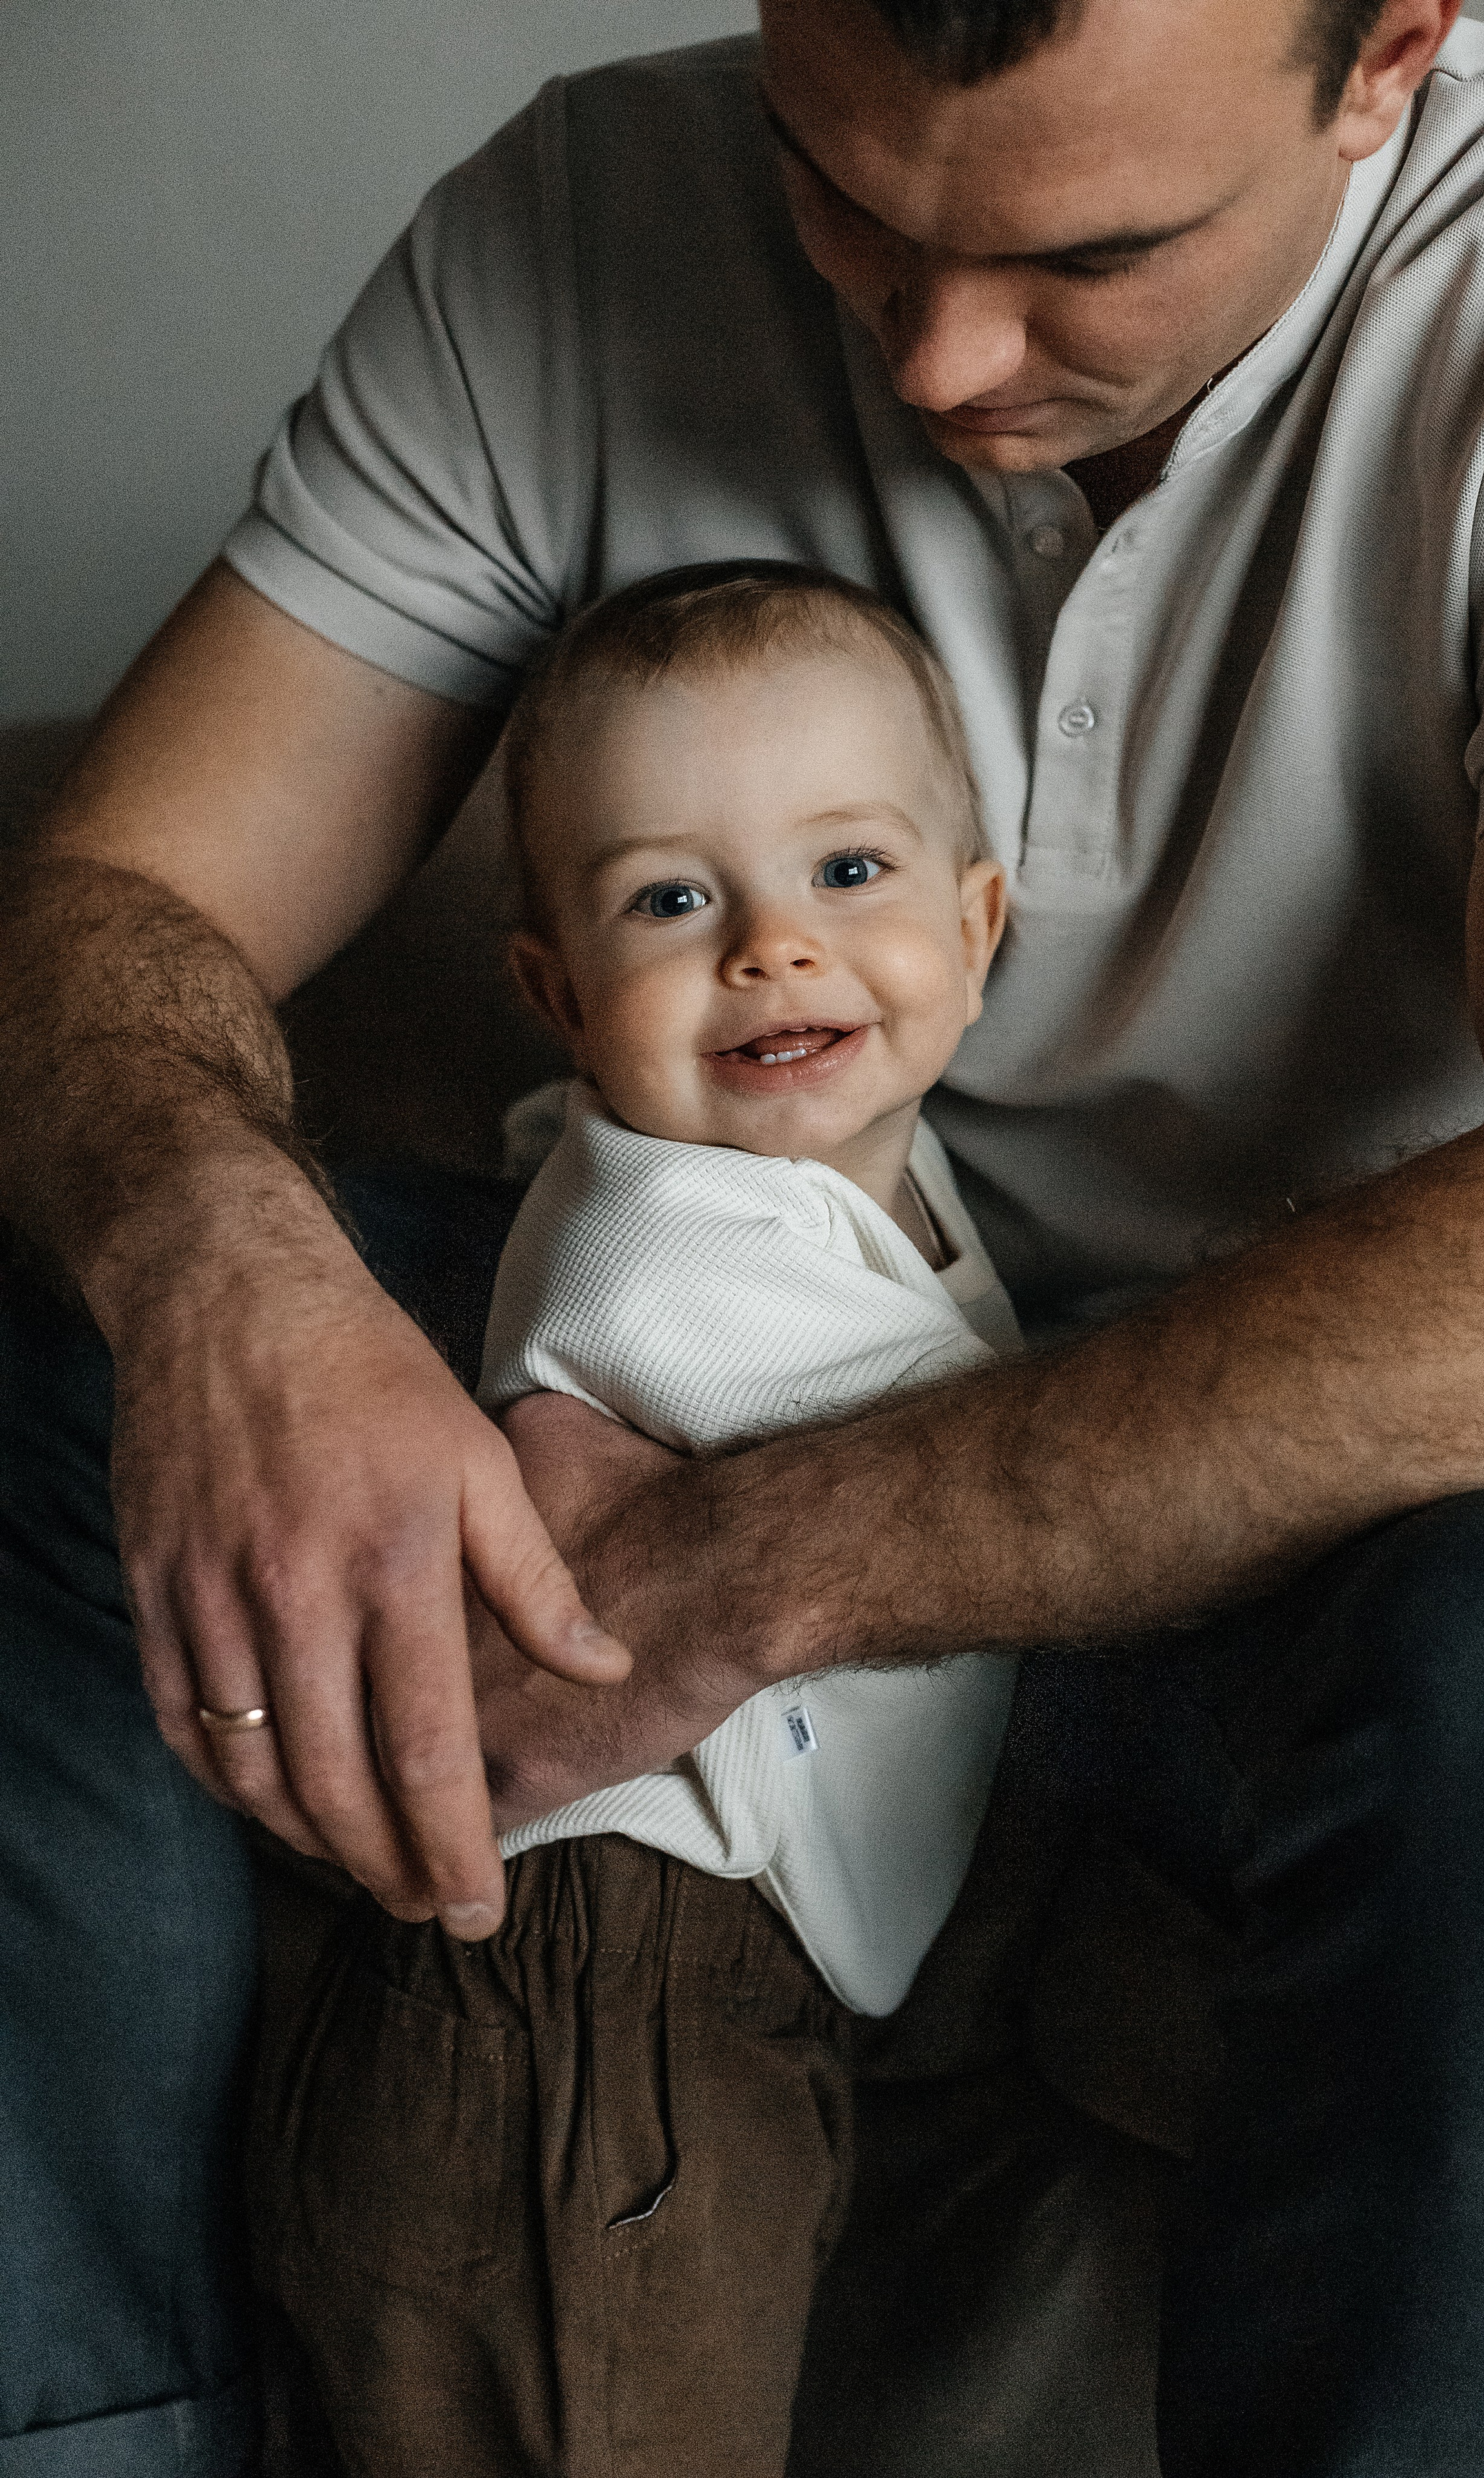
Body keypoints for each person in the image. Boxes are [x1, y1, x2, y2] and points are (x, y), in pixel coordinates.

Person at [7, 0, 1484, 2467]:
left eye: (1090, 251)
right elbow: (123, 897)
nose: (939, 353)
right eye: (849, 201)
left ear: (1386, 49)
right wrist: (228, 1272)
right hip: (689, 1365)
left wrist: (712, 1581)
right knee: (55, 1304)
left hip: (1318, 1539)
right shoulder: (583, 218)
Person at [250, 558, 1019, 2475]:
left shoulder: (847, 1206)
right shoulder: (661, 1251)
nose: (773, 949)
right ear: (557, 994)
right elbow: (1016, 1512)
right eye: (675, 900)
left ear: (979, 921)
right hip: (591, 2006)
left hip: (703, 2006)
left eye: (849, 873)